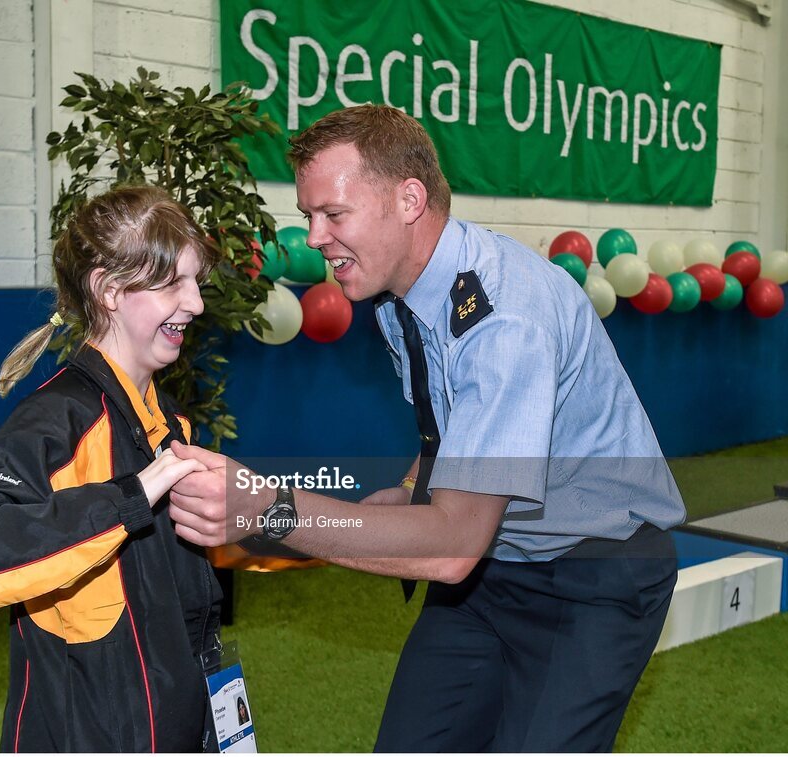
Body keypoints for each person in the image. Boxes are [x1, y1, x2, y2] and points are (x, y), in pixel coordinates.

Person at [166, 105, 686, 752]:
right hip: (495, 564)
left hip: (595, 572)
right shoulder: (395, 292)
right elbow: (451, 418)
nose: (315, 235)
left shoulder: (504, 320)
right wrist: (417, 481)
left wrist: (270, 510)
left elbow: (453, 545)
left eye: (334, 213)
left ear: (408, 199)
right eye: (307, 216)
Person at [0, 186, 225, 753]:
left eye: (196, 282)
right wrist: (131, 495)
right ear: (109, 291)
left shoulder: (168, 421)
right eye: (173, 284)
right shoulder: (59, 420)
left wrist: (281, 515)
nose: (196, 303)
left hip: (180, 723)